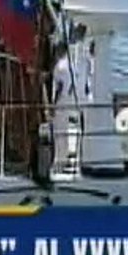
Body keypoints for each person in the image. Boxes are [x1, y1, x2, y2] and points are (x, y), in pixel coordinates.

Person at [51, 42, 74, 171]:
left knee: (58, 131)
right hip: (67, 101)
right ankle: (63, 158)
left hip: (60, 102)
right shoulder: (70, 65)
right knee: (64, 131)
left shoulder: (59, 67)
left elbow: (59, 87)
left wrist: (53, 105)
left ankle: (58, 160)